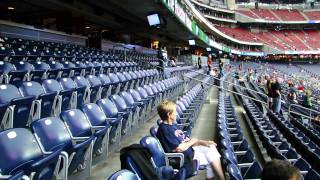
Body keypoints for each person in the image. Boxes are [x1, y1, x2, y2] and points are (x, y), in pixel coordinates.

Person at [156, 100, 225, 180]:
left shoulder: (173, 125)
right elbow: (179, 148)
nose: (177, 113)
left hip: (190, 152)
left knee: (211, 148)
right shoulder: (164, 129)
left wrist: (203, 142)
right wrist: (194, 140)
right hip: (183, 158)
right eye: (175, 111)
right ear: (169, 114)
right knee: (212, 155)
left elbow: (187, 140)